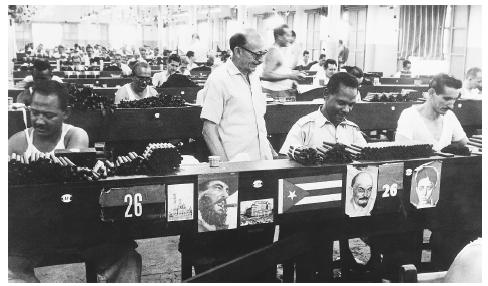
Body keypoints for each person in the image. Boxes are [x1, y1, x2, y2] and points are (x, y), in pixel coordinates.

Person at [8, 80, 142, 282]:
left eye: (49, 115)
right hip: (32, 234)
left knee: (126, 258)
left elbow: (69, 173)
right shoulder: (17, 142)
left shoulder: (75, 136)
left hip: (77, 228)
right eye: (35, 113)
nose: (40, 121)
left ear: (66, 113)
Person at [200, 29, 276, 162]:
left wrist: (270, 152)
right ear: (238, 51)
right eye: (256, 55)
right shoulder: (219, 79)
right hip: (237, 163)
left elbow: (257, 123)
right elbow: (208, 130)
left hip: (263, 162)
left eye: (263, 53)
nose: (261, 60)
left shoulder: (254, 77)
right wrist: (226, 169)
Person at [280, 72, 367, 155]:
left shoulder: (353, 130)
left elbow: (366, 163)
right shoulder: (304, 127)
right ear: (326, 94)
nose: (347, 110)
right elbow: (286, 161)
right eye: (341, 103)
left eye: (351, 105)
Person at [395, 73, 468, 151]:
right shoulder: (409, 115)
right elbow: (401, 150)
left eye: (454, 100)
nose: (451, 106)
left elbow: (464, 143)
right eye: (446, 99)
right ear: (431, 93)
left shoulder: (449, 116)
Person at [261, 24, 306, 100]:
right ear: (279, 37)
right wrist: (289, 76)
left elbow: (280, 71)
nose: (290, 39)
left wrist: (292, 75)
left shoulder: (279, 50)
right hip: (275, 93)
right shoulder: (273, 52)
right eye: (287, 36)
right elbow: (266, 75)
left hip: (281, 92)